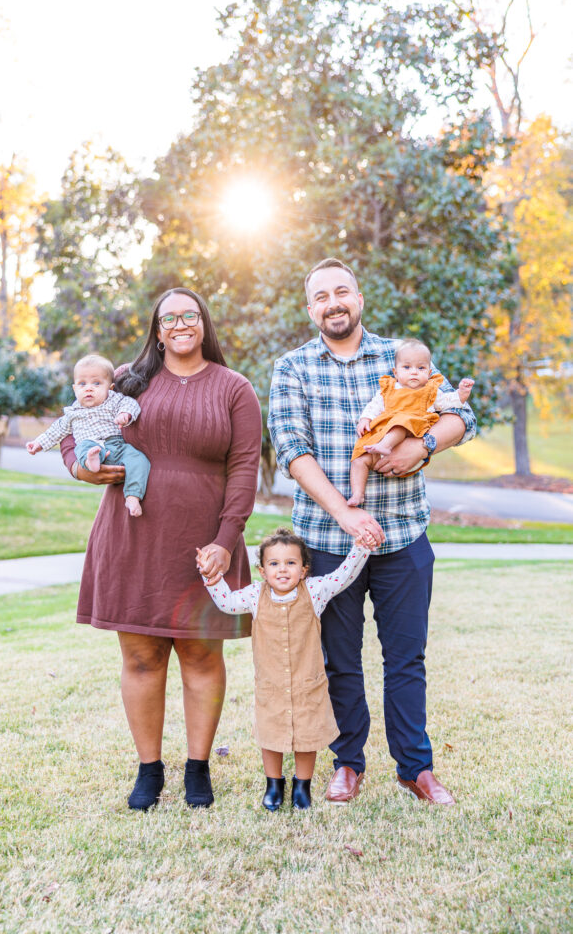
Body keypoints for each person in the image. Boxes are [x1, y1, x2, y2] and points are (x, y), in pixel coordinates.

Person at [268, 259, 476, 806]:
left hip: (404, 535)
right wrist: (345, 514)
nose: (333, 302)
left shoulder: (402, 358)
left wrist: (422, 446)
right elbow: (292, 450)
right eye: (321, 296)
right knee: (340, 659)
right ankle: (348, 764)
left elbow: (461, 415)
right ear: (310, 307)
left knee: (406, 658)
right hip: (327, 541)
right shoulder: (292, 367)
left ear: (359, 297)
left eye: (342, 291)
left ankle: (415, 768)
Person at [59, 289, 262, 811]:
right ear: (156, 328)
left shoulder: (234, 389)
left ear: (203, 323)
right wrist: (82, 467)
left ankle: (198, 768)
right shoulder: (128, 380)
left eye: (188, 315)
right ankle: (149, 770)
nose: (178, 324)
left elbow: (244, 468)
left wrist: (226, 539)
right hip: (133, 538)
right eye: (168, 317)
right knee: (142, 655)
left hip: (203, 543)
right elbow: (73, 428)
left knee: (200, 653)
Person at [200, 528, 369, 811]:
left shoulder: (315, 591)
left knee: (308, 735)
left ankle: (302, 785)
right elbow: (227, 603)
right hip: (271, 686)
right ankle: (274, 784)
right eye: (274, 563)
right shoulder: (255, 595)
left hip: (308, 685)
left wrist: (361, 549)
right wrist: (211, 578)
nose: (282, 570)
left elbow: (344, 576)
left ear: (304, 570)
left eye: (291, 563)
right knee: (271, 735)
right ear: (262, 571)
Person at [348, 338, 474, 506]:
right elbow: (375, 405)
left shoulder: (430, 391)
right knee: (358, 459)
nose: (414, 372)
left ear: (429, 373)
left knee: (401, 422)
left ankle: (385, 446)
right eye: (407, 368)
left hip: (413, 427)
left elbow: (450, 403)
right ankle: (358, 494)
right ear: (396, 371)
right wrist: (365, 418)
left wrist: (462, 393)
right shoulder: (389, 388)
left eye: (420, 368)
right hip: (385, 434)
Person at [26, 354, 150, 517]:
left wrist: (125, 414)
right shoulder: (72, 413)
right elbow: (55, 431)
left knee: (139, 459)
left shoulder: (114, 401)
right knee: (84, 447)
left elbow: (130, 404)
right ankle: (91, 461)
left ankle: (133, 496)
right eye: (82, 384)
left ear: (110, 388)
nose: (89, 388)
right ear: (75, 388)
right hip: (90, 444)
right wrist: (38, 443)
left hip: (116, 446)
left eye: (97, 383)